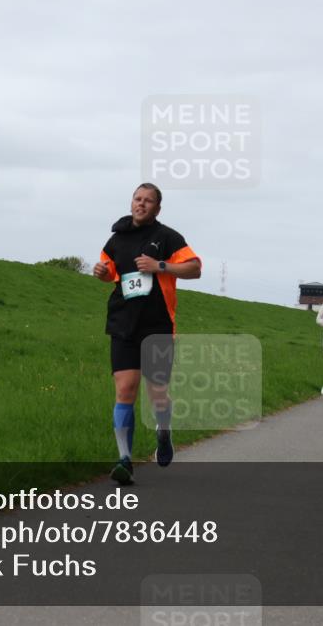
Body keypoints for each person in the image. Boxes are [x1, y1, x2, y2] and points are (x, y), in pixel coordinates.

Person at [93, 183, 201, 485]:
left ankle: (163, 431)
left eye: (148, 200)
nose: (141, 204)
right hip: (123, 323)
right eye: (137, 199)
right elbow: (111, 273)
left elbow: (194, 269)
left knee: (157, 393)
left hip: (158, 325)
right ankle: (124, 460)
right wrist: (102, 274)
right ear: (131, 203)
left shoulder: (167, 237)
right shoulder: (116, 238)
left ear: (157, 208)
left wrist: (160, 265)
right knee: (125, 389)